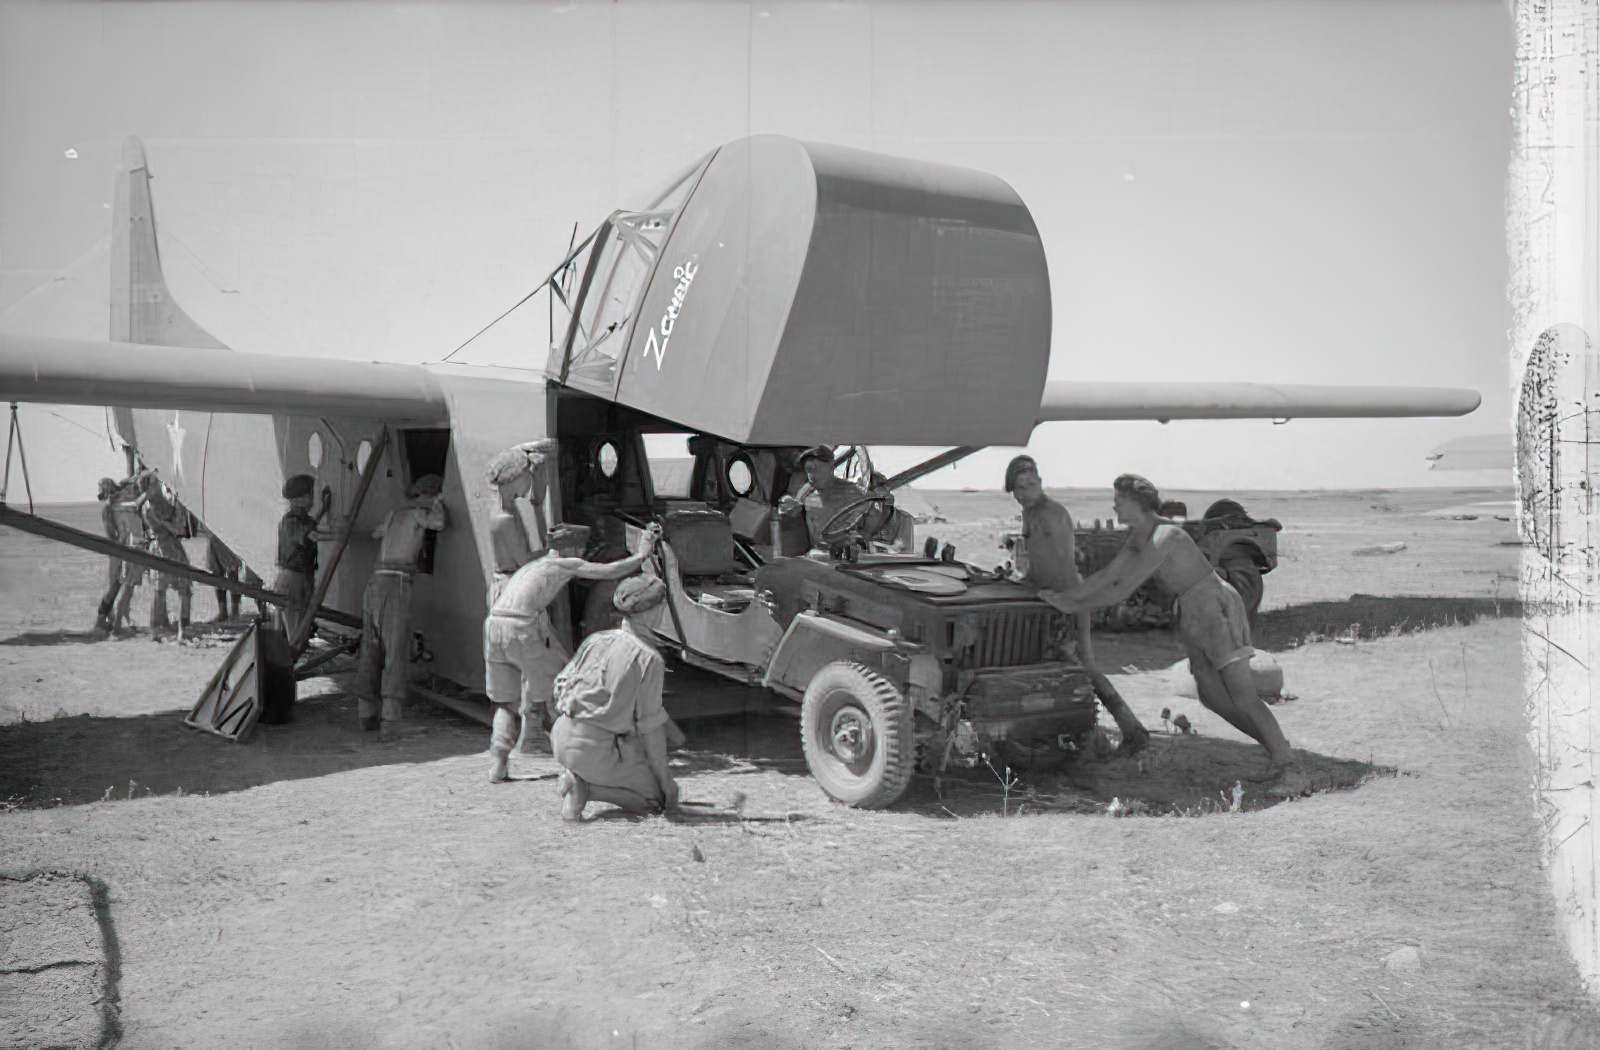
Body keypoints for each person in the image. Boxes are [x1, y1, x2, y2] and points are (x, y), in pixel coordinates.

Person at [1038, 474, 1296, 779]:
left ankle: (1285, 762)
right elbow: (1108, 576)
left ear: (1138, 503)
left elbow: (1122, 589)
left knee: (1242, 695)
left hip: (1214, 608)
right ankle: (1275, 749)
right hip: (1193, 611)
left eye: (1119, 501)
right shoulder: (1139, 536)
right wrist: (1063, 596)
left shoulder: (1166, 536)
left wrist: (1072, 605)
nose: (1114, 507)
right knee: (1210, 695)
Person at [483, 521, 662, 783]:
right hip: (520, 627)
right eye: (581, 548)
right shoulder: (562, 563)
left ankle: (498, 765)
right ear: (573, 547)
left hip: (494, 625)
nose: (582, 554)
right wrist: (642, 553)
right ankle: (576, 764)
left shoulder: (533, 566)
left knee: (506, 703)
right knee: (563, 691)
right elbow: (609, 572)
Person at [1006, 456, 1148, 753]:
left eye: (1031, 485)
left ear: (1040, 483)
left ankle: (1125, 730)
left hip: (1068, 597)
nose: (1025, 492)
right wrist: (1025, 582)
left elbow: (1063, 563)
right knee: (1073, 665)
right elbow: (1038, 564)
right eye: (1019, 487)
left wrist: (1065, 600)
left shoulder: (1050, 513)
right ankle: (1107, 732)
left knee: (1081, 666)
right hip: (1055, 597)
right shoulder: (1031, 513)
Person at [551, 573, 681, 821]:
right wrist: (667, 781)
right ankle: (587, 788)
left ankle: (577, 774)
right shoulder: (648, 659)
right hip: (595, 747)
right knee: (655, 800)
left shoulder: (596, 639)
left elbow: (561, 684)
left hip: (562, 734)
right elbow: (651, 728)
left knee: (630, 753)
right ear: (658, 610)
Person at [359, 474, 449, 735]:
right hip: (397, 582)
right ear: (430, 494)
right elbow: (440, 523)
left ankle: (365, 712)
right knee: (395, 649)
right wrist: (440, 504)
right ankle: (391, 719)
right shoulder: (419, 514)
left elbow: (377, 533)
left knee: (371, 647)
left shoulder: (394, 514)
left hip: (375, 581)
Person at [483, 439, 557, 601]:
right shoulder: (504, 518)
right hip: (509, 587)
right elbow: (523, 560)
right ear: (513, 480)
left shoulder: (508, 509)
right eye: (526, 477)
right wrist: (552, 551)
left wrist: (529, 448)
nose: (529, 482)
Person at [273, 474, 334, 635]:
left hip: (303, 576)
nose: (312, 499)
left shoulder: (304, 520)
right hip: (293, 578)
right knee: (295, 630)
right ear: (301, 498)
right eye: (310, 495)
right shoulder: (291, 521)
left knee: (301, 627)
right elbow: (310, 535)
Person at [138, 474, 193, 635]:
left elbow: (177, 524)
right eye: (155, 483)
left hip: (170, 546)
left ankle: (181, 623)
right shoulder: (149, 508)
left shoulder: (160, 503)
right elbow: (175, 528)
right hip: (163, 547)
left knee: (183, 587)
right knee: (161, 588)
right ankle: (158, 626)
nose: (159, 484)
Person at [793, 445, 869, 549]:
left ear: (830, 465)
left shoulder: (851, 492)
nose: (811, 476)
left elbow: (865, 529)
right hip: (818, 555)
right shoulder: (807, 496)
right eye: (808, 470)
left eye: (816, 468)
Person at [93, 477, 128, 634]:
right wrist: (121, 542)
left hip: (118, 548)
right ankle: (101, 618)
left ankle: (109, 618)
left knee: (117, 584)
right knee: (114, 585)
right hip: (116, 549)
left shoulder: (113, 506)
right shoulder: (109, 508)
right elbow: (110, 533)